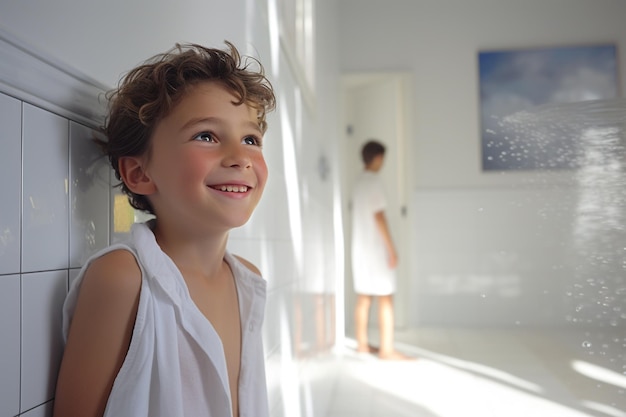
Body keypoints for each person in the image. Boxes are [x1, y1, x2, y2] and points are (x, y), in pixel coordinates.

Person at [53, 42, 276, 417]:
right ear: (140, 173)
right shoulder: (122, 279)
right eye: (206, 135)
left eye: (251, 139)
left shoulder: (247, 281)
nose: (240, 158)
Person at [351, 140, 410, 360]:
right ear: (377, 158)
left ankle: (362, 345)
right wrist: (391, 248)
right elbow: (379, 216)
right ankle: (387, 349)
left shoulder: (358, 182)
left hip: (360, 250)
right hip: (375, 250)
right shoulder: (374, 182)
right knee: (385, 298)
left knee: (364, 298)